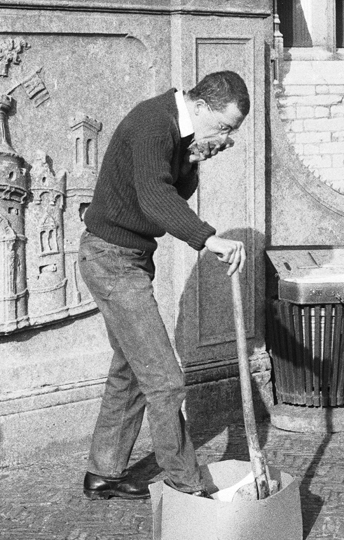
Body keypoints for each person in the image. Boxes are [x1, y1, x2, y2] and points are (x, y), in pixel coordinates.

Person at [79, 70, 249, 500]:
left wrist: (194, 159)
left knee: (132, 371)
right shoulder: (154, 122)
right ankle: (186, 486)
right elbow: (155, 196)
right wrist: (207, 238)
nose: (227, 137)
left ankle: (104, 472)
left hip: (130, 258)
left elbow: (170, 194)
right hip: (111, 259)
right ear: (202, 106)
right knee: (166, 381)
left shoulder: (179, 130)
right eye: (225, 127)